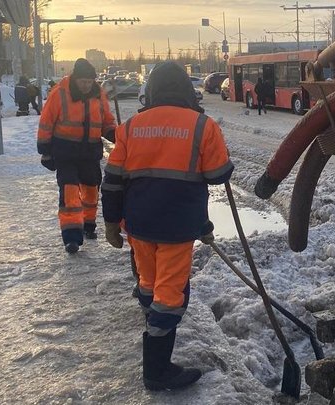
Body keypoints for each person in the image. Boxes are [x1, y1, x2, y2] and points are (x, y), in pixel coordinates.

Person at [101, 61, 234, 391]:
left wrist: (110, 223)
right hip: (177, 228)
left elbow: (112, 181)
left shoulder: (131, 127)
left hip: (139, 225)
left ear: (152, 92)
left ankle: (151, 319)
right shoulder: (202, 126)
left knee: (149, 282)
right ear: (188, 92)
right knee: (171, 296)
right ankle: (157, 370)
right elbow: (219, 174)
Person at [37, 58, 117, 254]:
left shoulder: (98, 94)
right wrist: (45, 151)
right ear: (75, 78)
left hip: (90, 152)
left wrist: (114, 134)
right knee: (70, 191)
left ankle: (88, 224)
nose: (86, 85)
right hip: (65, 152)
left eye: (89, 82)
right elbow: (46, 121)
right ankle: (72, 236)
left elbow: (106, 120)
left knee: (91, 190)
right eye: (83, 81)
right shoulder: (60, 93)